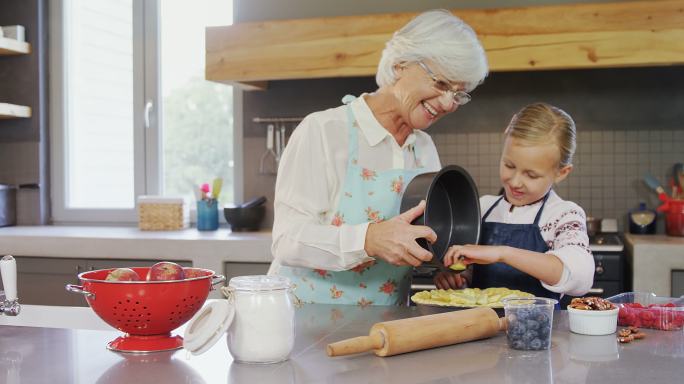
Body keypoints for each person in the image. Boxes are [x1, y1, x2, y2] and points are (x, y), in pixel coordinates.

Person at [268, 9, 488, 306]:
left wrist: (439, 269)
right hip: (303, 318)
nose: (449, 103)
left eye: (459, 93)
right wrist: (368, 239)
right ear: (400, 65)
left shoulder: (424, 149)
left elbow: (421, 242)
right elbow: (287, 240)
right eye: (441, 84)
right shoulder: (324, 131)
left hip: (384, 325)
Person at [440, 103, 594, 300]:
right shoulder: (483, 208)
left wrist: (502, 253)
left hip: (540, 329)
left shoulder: (563, 215)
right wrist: (458, 278)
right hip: (481, 327)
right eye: (509, 165)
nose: (515, 181)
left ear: (561, 173)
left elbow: (581, 278)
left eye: (531, 175)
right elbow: (471, 275)